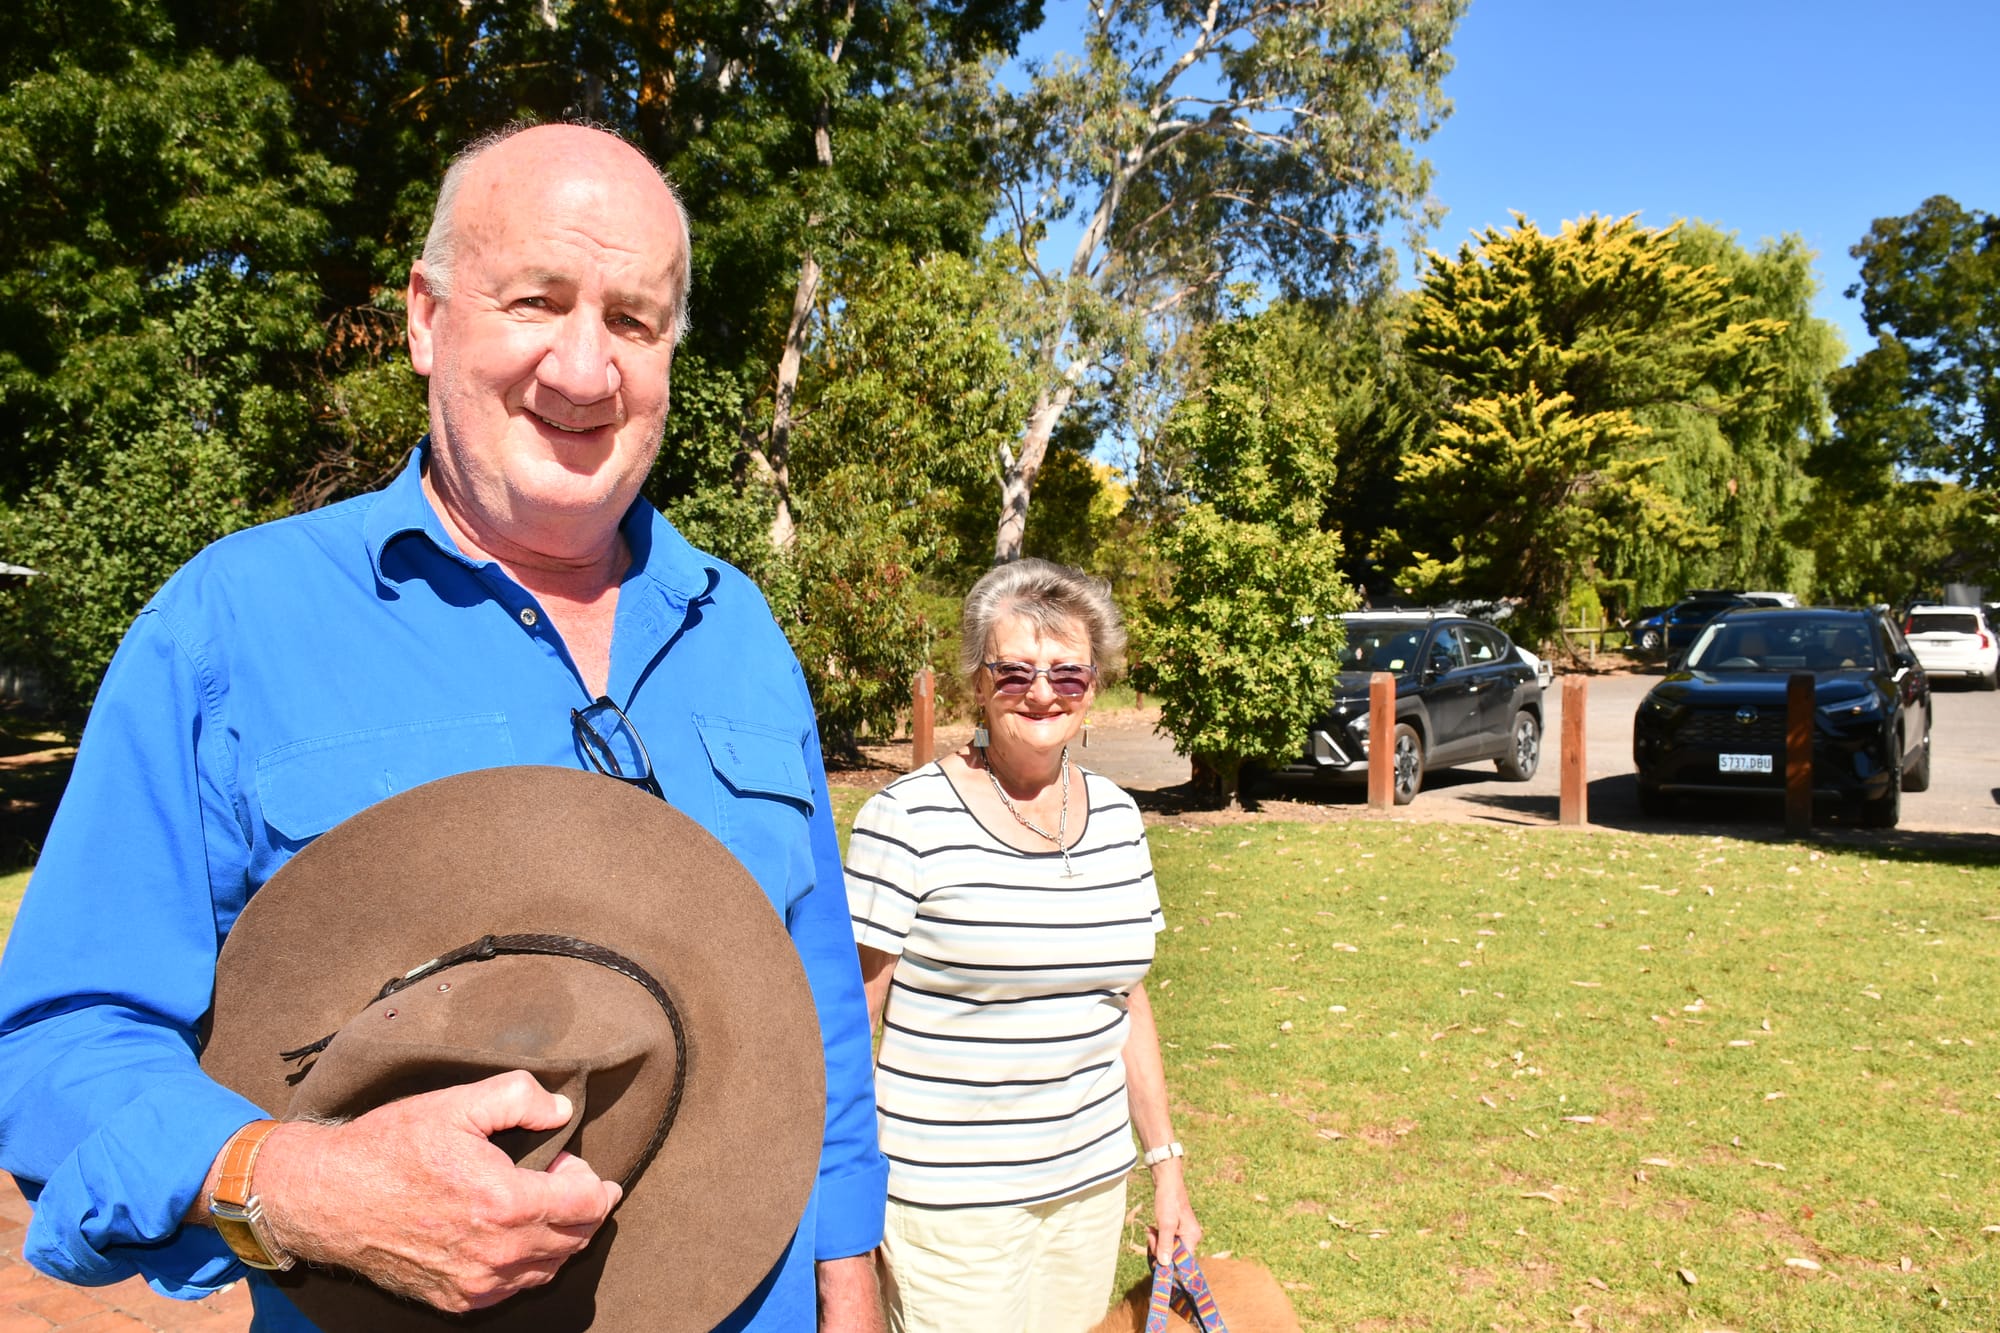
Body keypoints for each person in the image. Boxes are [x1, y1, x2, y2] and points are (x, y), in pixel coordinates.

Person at [0, 123, 887, 1331]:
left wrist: (846, 1271)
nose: (584, 370)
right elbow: (62, 1044)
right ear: (425, 317)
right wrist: (292, 1184)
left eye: (633, 320)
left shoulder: (739, 634)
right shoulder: (233, 626)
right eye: (535, 299)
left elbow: (814, 997)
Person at [844, 559, 1200, 1333]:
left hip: (1089, 1193)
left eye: (1067, 674)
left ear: (1092, 688)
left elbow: (1127, 999)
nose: (1043, 692)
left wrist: (1166, 1168)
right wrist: (842, 1201)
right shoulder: (906, 820)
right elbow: (850, 1021)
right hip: (951, 1210)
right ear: (977, 682)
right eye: (1016, 672)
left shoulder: (1116, 818)